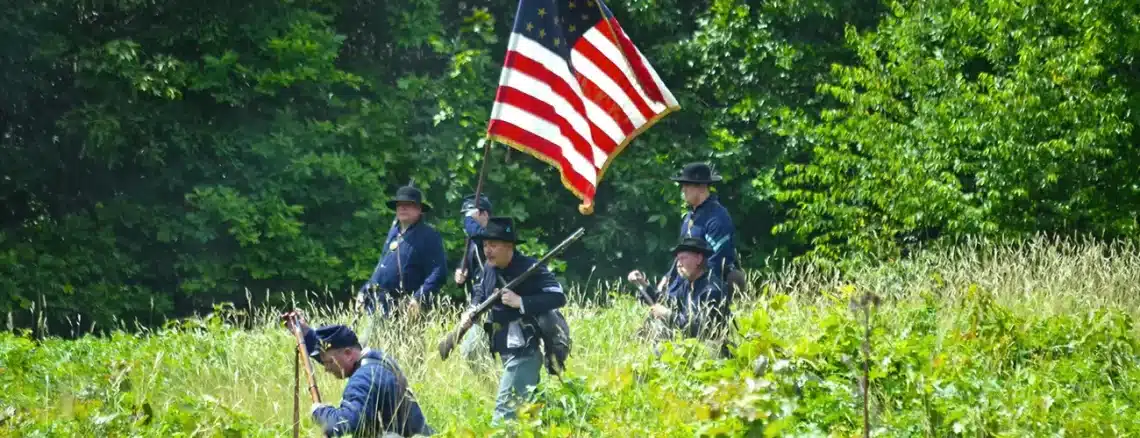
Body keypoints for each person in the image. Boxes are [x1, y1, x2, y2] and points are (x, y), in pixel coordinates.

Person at [459, 216, 567, 422]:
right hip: (501, 345)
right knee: (527, 413)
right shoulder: (489, 268)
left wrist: (521, 302)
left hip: (524, 347)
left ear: (509, 246)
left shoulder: (530, 268)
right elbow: (480, 291)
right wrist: (471, 310)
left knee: (503, 417)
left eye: (493, 245)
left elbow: (558, 296)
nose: (487, 250)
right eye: (485, 245)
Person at [282, 312, 434, 437]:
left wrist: (320, 411)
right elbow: (332, 355)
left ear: (348, 354)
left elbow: (344, 425)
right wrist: (306, 334)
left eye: (328, 363)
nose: (326, 369)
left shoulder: (364, 379)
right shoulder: (375, 360)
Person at [627, 237, 732, 356]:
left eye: (683, 258)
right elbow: (666, 301)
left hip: (712, 350)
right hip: (692, 346)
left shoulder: (711, 289)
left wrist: (668, 315)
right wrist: (643, 284)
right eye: (678, 259)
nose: (678, 264)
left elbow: (700, 328)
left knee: (662, 341)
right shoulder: (687, 285)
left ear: (698, 259)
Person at [655, 162, 745, 298]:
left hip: (710, 290)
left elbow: (716, 262)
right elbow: (683, 254)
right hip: (687, 283)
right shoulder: (689, 217)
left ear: (702, 187)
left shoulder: (717, 218)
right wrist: (668, 279)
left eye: (687, 185)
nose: (683, 190)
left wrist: (685, 291)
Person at [357, 185, 447, 319]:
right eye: (399, 205)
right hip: (376, 303)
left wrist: (419, 298)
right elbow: (381, 266)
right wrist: (364, 291)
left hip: (404, 308)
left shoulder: (429, 235)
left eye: (408, 204)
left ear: (419, 209)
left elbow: (439, 272)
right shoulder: (394, 232)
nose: (402, 208)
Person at [453, 193, 493, 367]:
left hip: (495, 301)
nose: (467, 220)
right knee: (473, 353)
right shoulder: (473, 241)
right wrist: (460, 273)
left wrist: (470, 221)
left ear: (485, 214)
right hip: (479, 302)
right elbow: (472, 269)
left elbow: (477, 234)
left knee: (472, 350)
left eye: (470, 215)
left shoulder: (493, 235)